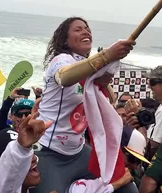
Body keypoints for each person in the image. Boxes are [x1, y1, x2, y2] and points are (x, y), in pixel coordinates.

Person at [31, 17, 135, 193]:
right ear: (65, 39)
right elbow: (65, 77)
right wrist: (107, 55)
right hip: (49, 151)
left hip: (78, 152)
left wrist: (109, 66)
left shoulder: (87, 68)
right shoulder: (61, 60)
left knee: (128, 188)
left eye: (87, 29)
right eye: (78, 29)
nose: (86, 31)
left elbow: (109, 96)